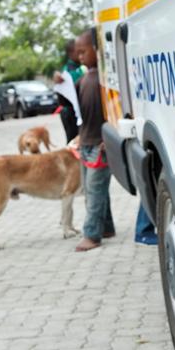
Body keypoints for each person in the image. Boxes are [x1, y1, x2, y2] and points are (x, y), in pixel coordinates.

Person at [71, 28, 115, 252]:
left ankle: (91, 234)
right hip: (86, 143)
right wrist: (79, 136)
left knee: (94, 191)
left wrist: (110, 136)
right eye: (77, 53)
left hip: (100, 145)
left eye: (83, 51)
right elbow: (82, 114)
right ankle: (106, 227)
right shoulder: (82, 80)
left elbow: (112, 111)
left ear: (96, 50)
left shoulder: (106, 81)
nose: (79, 56)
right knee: (93, 191)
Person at [56, 39, 86, 144]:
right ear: (71, 53)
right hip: (70, 112)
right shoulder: (69, 71)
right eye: (79, 51)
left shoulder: (78, 68)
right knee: (74, 141)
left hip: (73, 111)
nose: (81, 55)